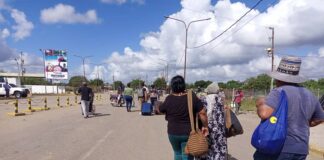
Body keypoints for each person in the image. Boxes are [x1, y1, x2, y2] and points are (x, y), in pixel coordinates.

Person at [254, 56, 324, 160]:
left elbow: (264, 113)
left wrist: (260, 103)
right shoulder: (309, 94)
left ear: (278, 78)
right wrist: (306, 123)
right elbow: (320, 118)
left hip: (277, 147)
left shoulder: (278, 92)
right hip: (300, 149)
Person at [159, 75, 209, 160]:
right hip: (188, 133)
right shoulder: (191, 96)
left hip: (173, 132)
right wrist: (206, 126)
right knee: (186, 154)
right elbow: (202, 113)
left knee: (177, 153)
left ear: (172, 86)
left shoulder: (169, 98)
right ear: (183, 85)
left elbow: (161, 110)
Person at [195, 82, 227, 160]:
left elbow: (201, 113)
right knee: (218, 147)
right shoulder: (221, 99)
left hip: (207, 126)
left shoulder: (204, 99)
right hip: (219, 128)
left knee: (205, 146)